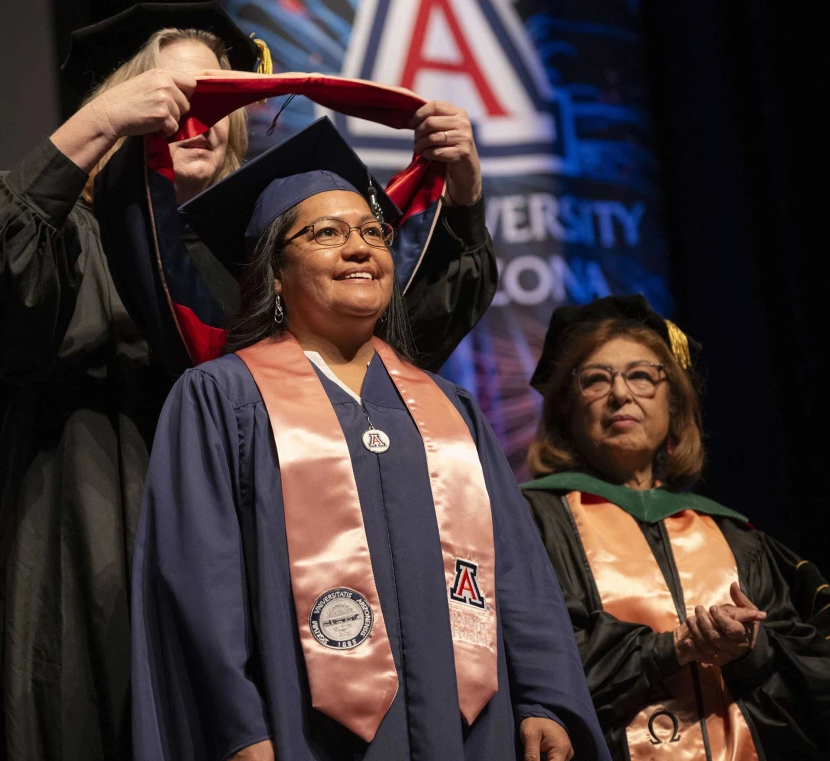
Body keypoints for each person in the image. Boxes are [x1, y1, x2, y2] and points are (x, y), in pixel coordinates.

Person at [0, 2, 498, 758]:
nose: (202, 119)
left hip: (251, 586)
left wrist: (460, 203)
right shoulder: (59, 233)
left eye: (221, 100)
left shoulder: (251, 270)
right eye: (176, 95)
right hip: (95, 566)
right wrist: (98, 124)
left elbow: (391, 349)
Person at [130, 118, 608, 761]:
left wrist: (545, 695)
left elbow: (513, 568)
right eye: (326, 233)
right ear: (274, 273)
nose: (360, 248)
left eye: (373, 232)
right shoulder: (223, 399)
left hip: (469, 727)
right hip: (299, 730)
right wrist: (238, 728)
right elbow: (198, 581)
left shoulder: (448, 407)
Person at [520, 295, 830, 760]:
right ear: (566, 410)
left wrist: (752, 651)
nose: (621, 394)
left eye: (642, 376)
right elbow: (529, 662)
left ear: (674, 403)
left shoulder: (738, 538)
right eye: (595, 380)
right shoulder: (530, 521)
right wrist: (674, 647)